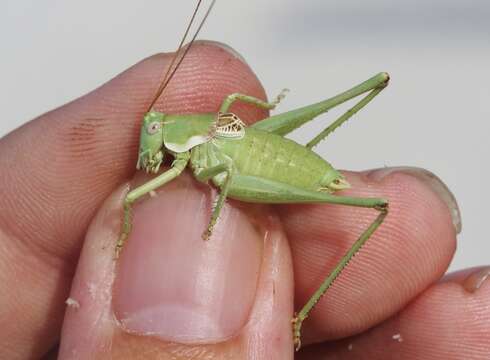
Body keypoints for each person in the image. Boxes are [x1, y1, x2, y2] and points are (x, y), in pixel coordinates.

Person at [1, 42, 488, 359]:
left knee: (231, 172)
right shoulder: (195, 131)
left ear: (165, 132)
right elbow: (229, 107)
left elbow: (227, 148)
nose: (149, 139)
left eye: (153, 131)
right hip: (235, 146)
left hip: (260, 165)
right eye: (151, 131)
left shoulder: (196, 142)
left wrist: (204, 217)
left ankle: (299, 315)